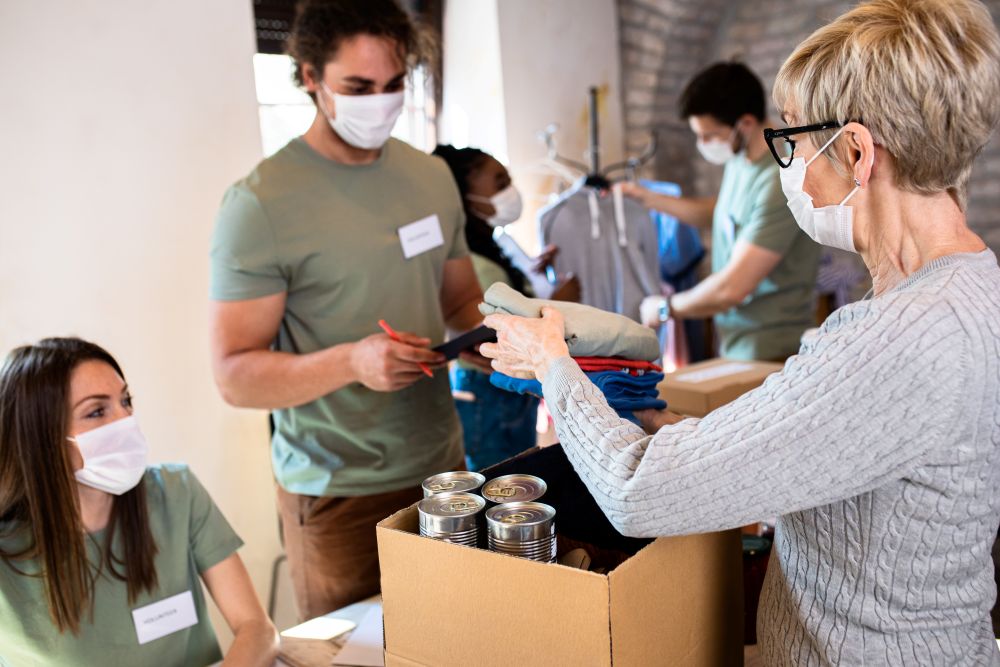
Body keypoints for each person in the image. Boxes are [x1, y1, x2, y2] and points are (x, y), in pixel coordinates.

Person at [481, 0, 1000, 664]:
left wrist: (555, 364)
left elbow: (638, 492)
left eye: (793, 143)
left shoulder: (897, 339)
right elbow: (862, 452)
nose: (788, 165)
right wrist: (682, 431)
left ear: (857, 151)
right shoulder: (971, 280)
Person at [208, 0, 484, 620]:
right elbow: (233, 375)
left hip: (445, 471)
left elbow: (461, 302)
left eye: (393, 86)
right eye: (357, 88)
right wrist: (352, 362)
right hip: (337, 493)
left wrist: (511, 339)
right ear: (309, 76)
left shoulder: (431, 177)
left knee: (457, 641)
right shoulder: (259, 205)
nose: (379, 105)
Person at [0, 338, 278, 666]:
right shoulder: (8, 547)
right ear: (40, 436)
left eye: (126, 401)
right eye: (97, 411)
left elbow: (257, 628)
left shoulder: (177, 492)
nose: (126, 420)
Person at [618, 62, 821, 362]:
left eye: (710, 136)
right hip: (735, 341)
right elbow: (722, 213)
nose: (703, 145)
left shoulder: (780, 177)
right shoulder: (742, 158)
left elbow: (732, 288)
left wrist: (665, 308)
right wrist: (650, 200)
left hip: (770, 349)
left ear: (746, 124)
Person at [431, 144, 563, 470]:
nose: (509, 191)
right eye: (499, 181)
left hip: (504, 382)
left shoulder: (492, 243)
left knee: (518, 478)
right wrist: (556, 300)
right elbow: (489, 320)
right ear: (465, 190)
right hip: (485, 386)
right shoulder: (464, 259)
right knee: (498, 487)